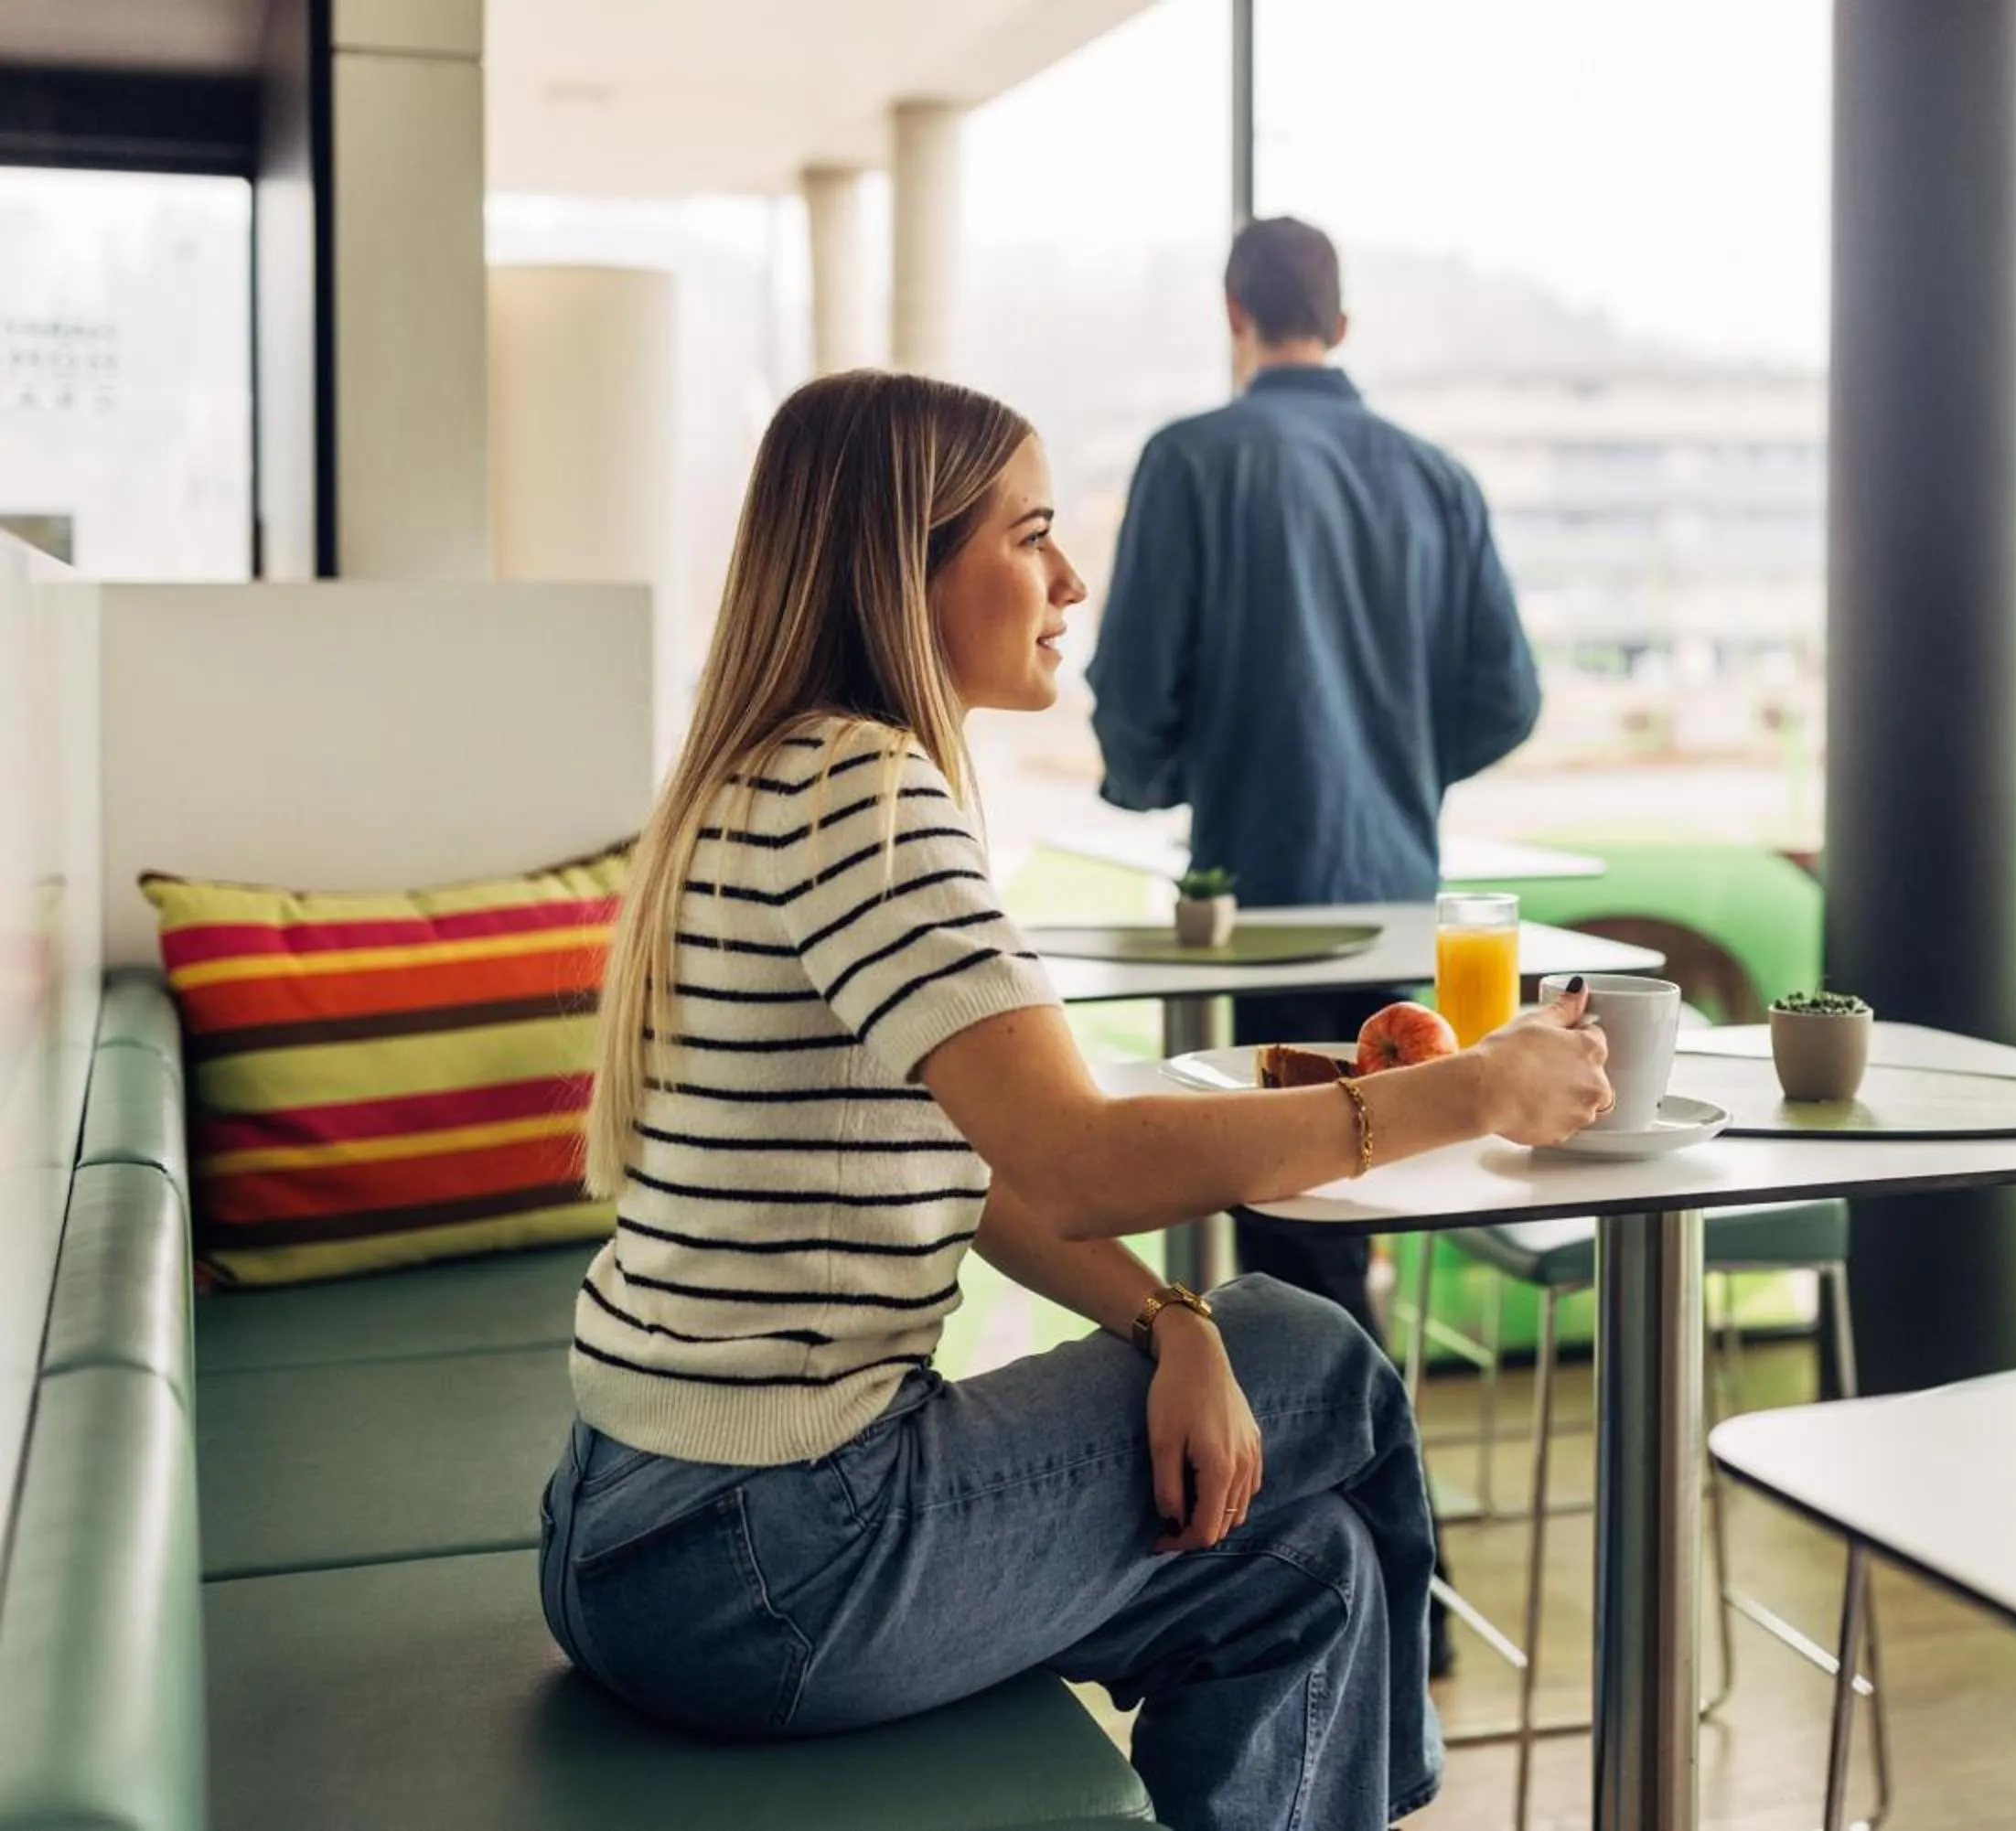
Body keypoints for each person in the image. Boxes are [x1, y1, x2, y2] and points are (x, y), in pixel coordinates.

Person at [538, 370, 1613, 1831]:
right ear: (901, 564)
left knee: (1310, 1579)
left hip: (629, 1533)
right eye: (1030, 535)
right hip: (769, 1556)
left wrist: (1165, 1321)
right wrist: (1472, 1090)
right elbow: (1086, 1162)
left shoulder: (760, 778)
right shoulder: (867, 794)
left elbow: (982, 1171)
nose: (1073, 578)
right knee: (1315, 1345)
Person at [1087, 215, 1542, 1344]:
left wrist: (1163, 776)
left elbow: (1134, 692)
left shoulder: (1188, 460)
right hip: (1401, 897)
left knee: (1291, 1210)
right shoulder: (1439, 478)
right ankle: (1360, 1465)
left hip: (1262, 898)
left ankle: (1340, 1483)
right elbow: (1510, 697)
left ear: (1233, 315)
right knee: (1377, 1187)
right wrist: (1400, 766)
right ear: (1341, 326)